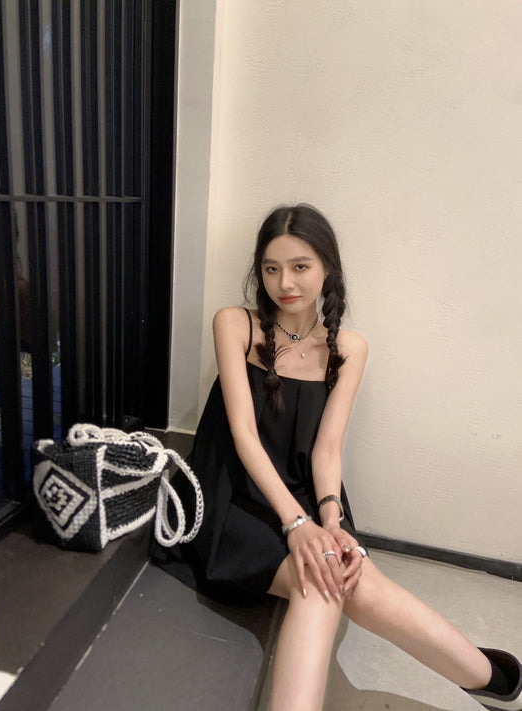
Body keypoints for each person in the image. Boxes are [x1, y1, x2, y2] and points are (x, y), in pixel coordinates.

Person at [153, 204, 521, 711]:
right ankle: (495, 680)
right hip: (231, 493)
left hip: (308, 492)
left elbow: (326, 448)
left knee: (344, 573)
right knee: (323, 580)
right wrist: (297, 525)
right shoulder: (235, 324)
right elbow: (244, 437)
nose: (285, 282)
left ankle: (493, 682)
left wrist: (330, 519)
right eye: (272, 268)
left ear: (327, 267)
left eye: (300, 266)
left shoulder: (349, 348)